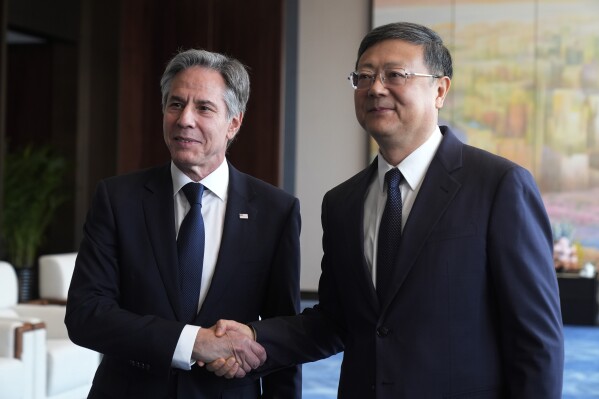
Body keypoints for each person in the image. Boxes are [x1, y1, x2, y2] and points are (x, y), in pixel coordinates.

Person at [210, 22, 565, 398]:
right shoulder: (342, 203)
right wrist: (253, 336)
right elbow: (336, 322)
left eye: (396, 75)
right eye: (364, 76)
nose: (376, 88)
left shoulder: (499, 185)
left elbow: (536, 341)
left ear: (440, 89)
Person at [65, 49, 302, 398]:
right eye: (175, 104)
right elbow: (86, 315)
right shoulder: (118, 199)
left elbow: (285, 335)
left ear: (233, 123)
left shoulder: (275, 210)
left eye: (204, 108)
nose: (184, 119)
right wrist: (193, 343)